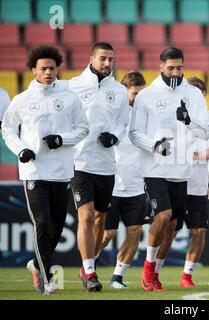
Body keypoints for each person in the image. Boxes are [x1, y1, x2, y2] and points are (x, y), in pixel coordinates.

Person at [1, 45, 89, 294]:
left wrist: (63, 139)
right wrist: (20, 150)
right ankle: (47, 278)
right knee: (41, 223)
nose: (49, 72)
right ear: (33, 70)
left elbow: (83, 128)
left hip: (61, 171)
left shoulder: (70, 98)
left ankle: (37, 266)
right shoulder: (22, 100)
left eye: (52, 68)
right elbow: (7, 129)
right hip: (34, 171)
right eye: (43, 68)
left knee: (57, 227)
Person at [128, 47, 209, 292]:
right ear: (161, 67)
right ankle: (148, 268)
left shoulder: (194, 94)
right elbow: (134, 134)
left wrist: (188, 120)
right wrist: (154, 145)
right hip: (154, 168)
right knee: (162, 216)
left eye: (180, 68)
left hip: (181, 169)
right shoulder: (147, 95)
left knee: (172, 226)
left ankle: (154, 271)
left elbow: (205, 132)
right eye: (171, 68)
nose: (176, 72)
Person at [68, 42, 129, 292]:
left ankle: (87, 266)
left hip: (105, 164)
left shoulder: (119, 90)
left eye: (111, 59)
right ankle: (91, 273)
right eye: (102, 58)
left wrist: (113, 136)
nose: (107, 63)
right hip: (79, 162)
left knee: (100, 219)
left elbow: (123, 122)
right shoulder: (72, 85)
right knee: (86, 214)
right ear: (91, 58)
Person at [151, 76, 209, 290]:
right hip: (177, 181)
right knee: (170, 230)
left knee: (199, 230)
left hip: (199, 185)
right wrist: (198, 154)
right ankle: (154, 272)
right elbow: (169, 151)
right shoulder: (175, 118)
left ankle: (187, 275)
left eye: (199, 94)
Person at [96, 71, 152, 289]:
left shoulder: (148, 115)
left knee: (135, 231)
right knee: (107, 234)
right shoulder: (114, 114)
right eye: (135, 93)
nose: (139, 97)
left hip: (137, 185)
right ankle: (89, 267)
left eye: (142, 92)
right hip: (113, 183)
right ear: (125, 92)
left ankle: (117, 277)